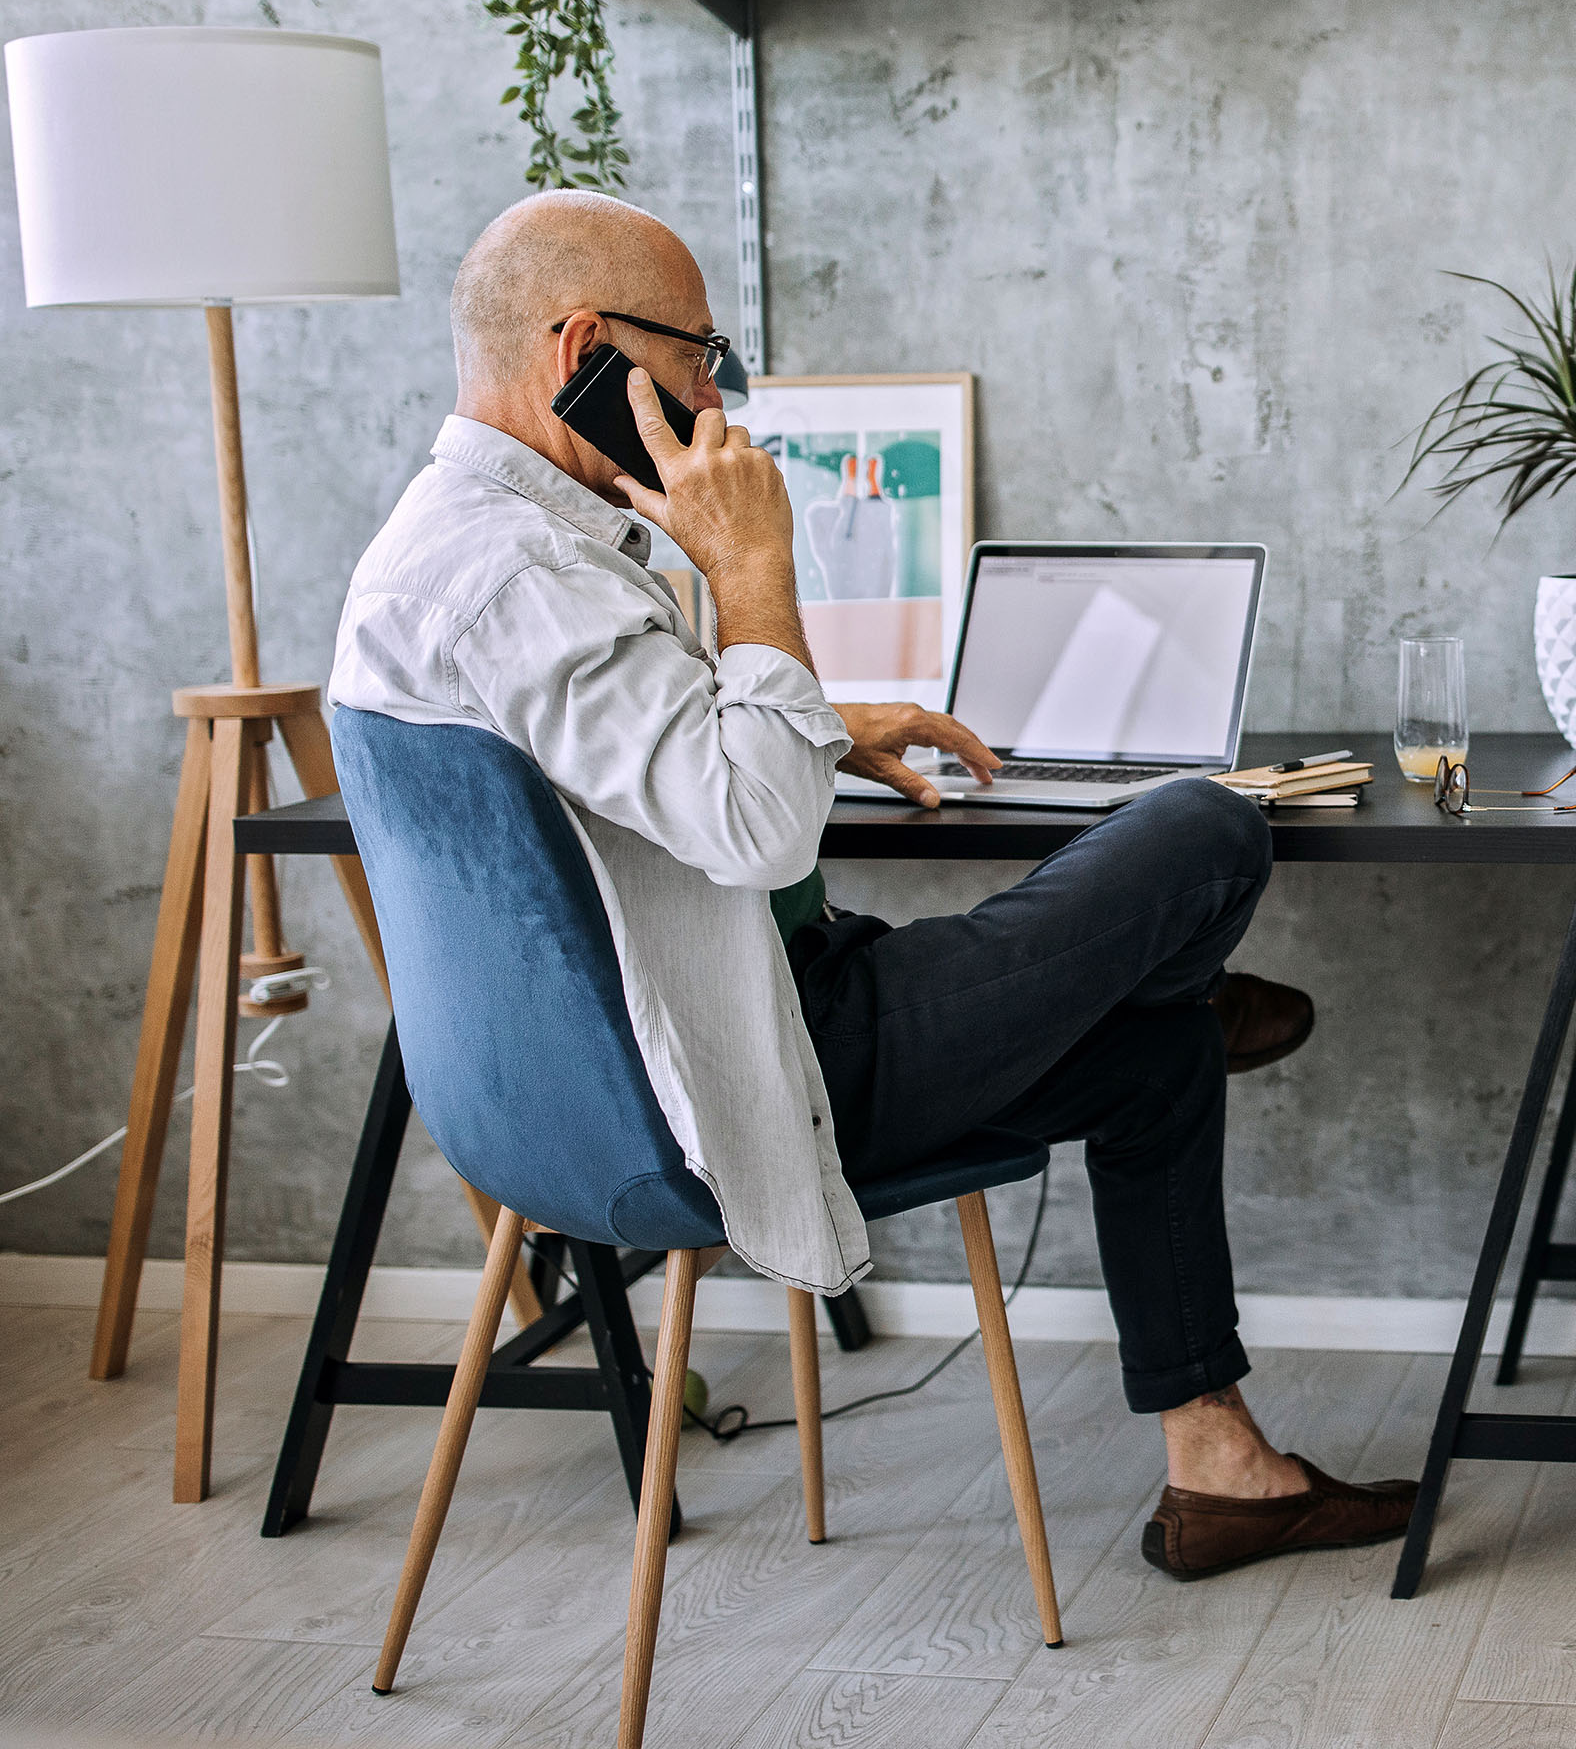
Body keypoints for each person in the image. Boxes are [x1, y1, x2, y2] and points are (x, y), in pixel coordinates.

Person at [330, 190, 1414, 1581]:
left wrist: (829, 719)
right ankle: (1157, 1003)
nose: (716, 392)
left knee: (1151, 1065)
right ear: (585, 347)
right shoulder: (524, 574)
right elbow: (762, 832)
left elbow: (618, 771)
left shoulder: (454, 551)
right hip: (771, 1064)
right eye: (700, 353)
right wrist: (754, 570)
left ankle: (1224, 1469)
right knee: (1204, 826)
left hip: (627, 1074)